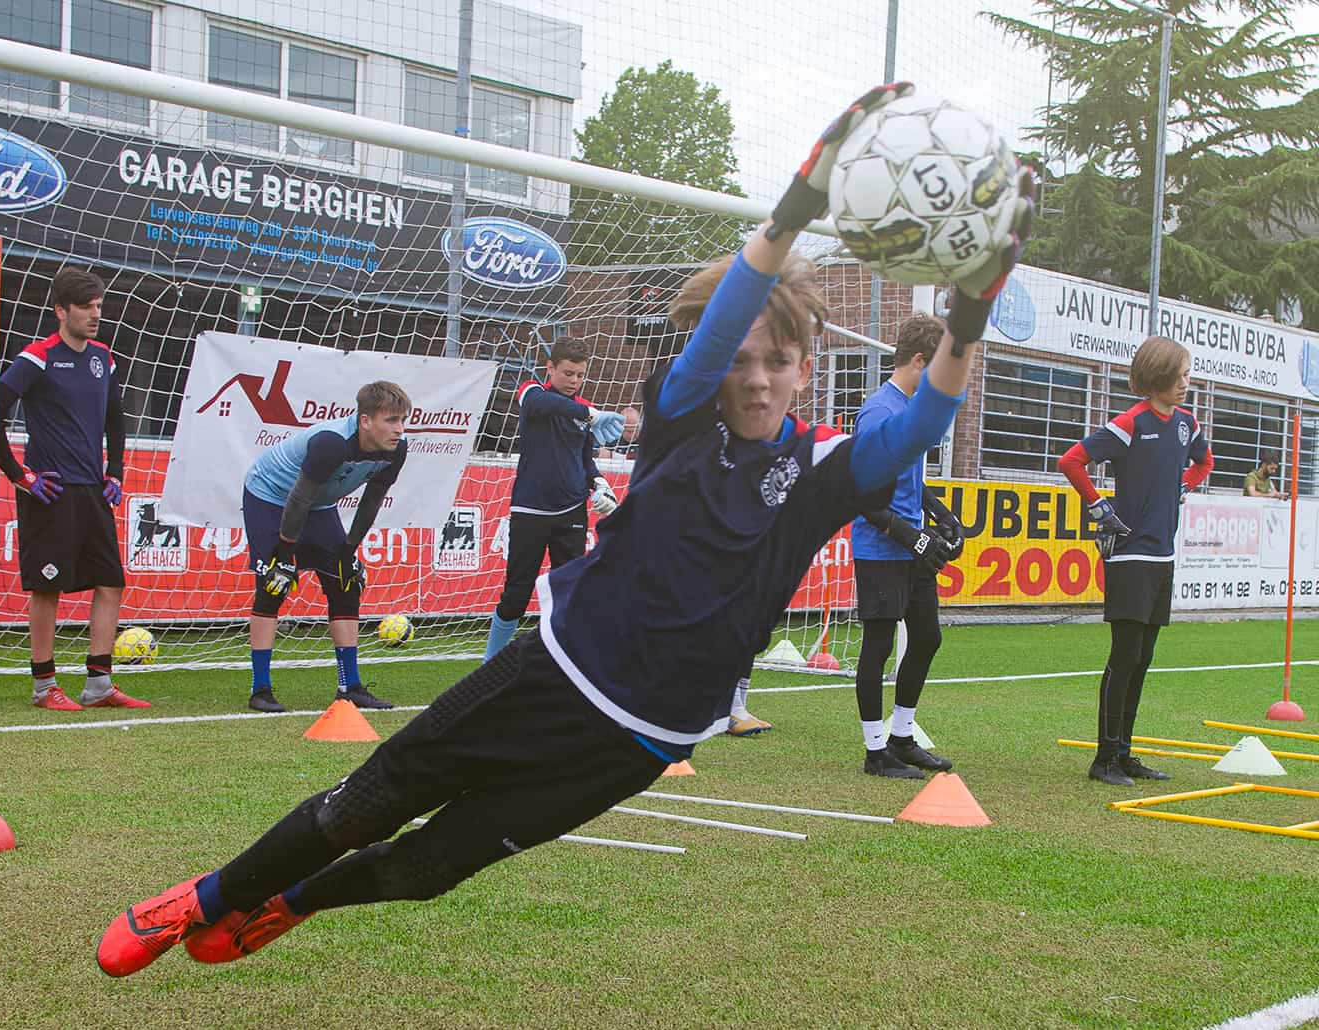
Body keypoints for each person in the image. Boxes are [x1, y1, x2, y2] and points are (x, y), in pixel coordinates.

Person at [95, 82, 1036, 979]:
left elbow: (918, 422)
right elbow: (718, 336)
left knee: (430, 869)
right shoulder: (678, 419)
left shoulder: (828, 471)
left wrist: (974, 303)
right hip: (556, 670)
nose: (756, 378)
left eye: (778, 363)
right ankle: (201, 896)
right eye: (742, 360)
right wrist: (794, 208)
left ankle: (290, 902)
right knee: (370, 800)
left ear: (805, 366)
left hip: (642, 739)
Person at [1058, 335, 1213, 786]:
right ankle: (1103, 758)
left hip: (1163, 555)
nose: (1187, 382)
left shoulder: (1187, 424)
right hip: (1129, 557)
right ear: (1158, 377)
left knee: (1143, 656)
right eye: (1181, 375)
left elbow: (1205, 462)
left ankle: (1124, 754)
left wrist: (1185, 483)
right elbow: (1072, 461)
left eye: (1187, 374)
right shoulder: (1130, 422)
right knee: (1124, 656)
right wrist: (1097, 505)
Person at [0, 267, 149, 711]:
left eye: (99, 306)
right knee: (47, 590)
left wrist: (115, 470)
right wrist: (20, 476)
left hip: (92, 491)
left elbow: (116, 417)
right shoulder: (37, 357)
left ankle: (98, 683)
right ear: (61, 311)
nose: (95, 314)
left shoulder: (104, 357)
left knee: (110, 583)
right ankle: (44, 686)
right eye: (86, 307)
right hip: (51, 492)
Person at [242, 381, 411, 713]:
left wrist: (349, 550)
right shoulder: (331, 443)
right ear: (365, 421)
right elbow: (298, 497)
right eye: (391, 420)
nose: (399, 429)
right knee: (273, 584)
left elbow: (371, 501)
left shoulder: (397, 449)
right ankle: (260, 688)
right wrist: (285, 552)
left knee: (345, 584)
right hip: (271, 496)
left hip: (317, 505)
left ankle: (350, 685)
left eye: (402, 420)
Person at [849, 314, 965, 778]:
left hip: (910, 547)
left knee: (927, 637)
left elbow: (906, 479)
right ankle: (876, 753)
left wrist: (941, 515)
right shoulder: (880, 411)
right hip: (881, 548)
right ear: (919, 360)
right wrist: (909, 534)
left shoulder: (913, 409)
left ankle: (902, 737)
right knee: (878, 647)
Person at [482, 337, 624, 661]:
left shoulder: (585, 412)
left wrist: (601, 485)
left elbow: (585, 459)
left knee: (569, 593)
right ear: (551, 368)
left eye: (580, 375)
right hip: (530, 509)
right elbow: (541, 405)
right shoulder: (534, 393)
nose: (574, 381)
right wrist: (589, 413)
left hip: (571, 511)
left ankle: (560, 664)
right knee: (516, 594)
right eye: (568, 373)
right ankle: (489, 665)